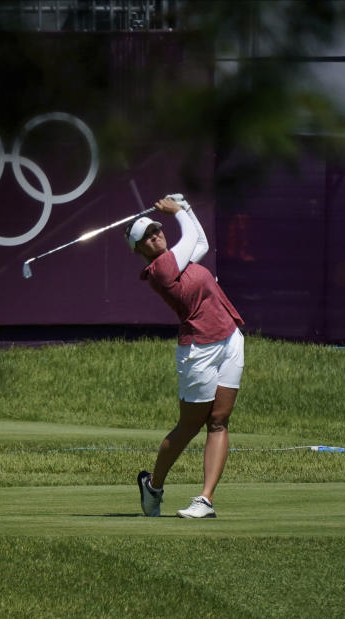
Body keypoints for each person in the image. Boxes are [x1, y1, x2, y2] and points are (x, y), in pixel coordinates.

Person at [124, 194, 244, 518]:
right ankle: (153, 487)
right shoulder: (161, 268)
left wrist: (186, 206)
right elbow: (190, 236)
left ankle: (205, 500)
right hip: (198, 350)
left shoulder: (180, 258)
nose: (155, 236)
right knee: (189, 426)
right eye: (147, 237)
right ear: (140, 250)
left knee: (219, 421)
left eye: (156, 230)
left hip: (230, 339)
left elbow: (199, 239)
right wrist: (178, 212)